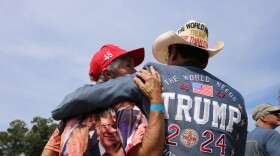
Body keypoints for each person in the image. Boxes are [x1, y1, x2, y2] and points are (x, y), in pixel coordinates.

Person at [51, 19, 248, 155]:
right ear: (205, 60)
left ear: (173, 50)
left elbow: (85, 98)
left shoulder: (154, 75)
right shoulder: (236, 99)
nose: (134, 69)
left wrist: (61, 110)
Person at [42, 44, 164, 156]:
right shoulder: (125, 107)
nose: (135, 72)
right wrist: (156, 99)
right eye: (128, 66)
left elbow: (48, 153)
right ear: (108, 74)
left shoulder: (70, 116)